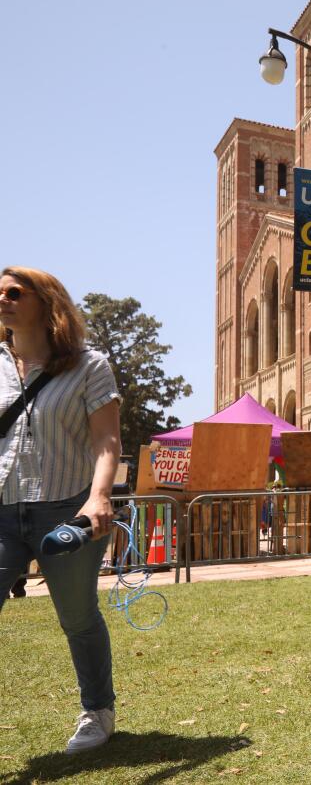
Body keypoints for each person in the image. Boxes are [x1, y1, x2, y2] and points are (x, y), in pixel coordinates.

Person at [0, 267, 122, 753]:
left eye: (14, 292)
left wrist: (99, 497)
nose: (3, 300)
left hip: (68, 509)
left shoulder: (89, 366)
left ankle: (98, 711)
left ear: (47, 301)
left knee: (78, 617)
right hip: (2, 510)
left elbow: (107, 441)